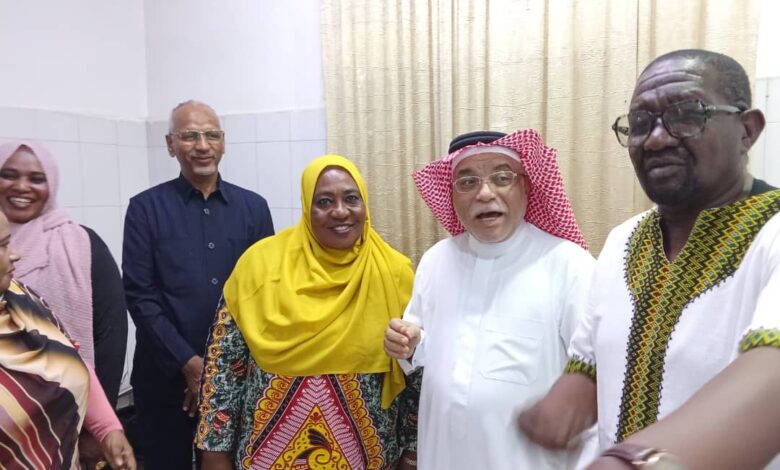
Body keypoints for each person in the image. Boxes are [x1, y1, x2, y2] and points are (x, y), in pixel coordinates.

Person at [518, 49, 780, 470]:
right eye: (641, 123)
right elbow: (590, 364)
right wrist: (558, 407)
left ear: (747, 130)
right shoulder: (623, 241)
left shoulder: (773, 232)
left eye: (687, 115)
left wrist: (628, 462)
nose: (656, 139)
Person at [384, 129, 595, 469]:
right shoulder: (436, 261)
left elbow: (598, 380)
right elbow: (431, 351)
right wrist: (410, 344)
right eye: (467, 182)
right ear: (452, 194)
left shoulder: (570, 266)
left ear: (526, 187)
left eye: (502, 178)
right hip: (443, 457)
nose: (484, 193)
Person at [196, 155, 420, 470]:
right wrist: (214, 451)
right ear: (306, 208)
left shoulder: (394, 273)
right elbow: (224, 368)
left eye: (351, 199)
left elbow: (417, 373)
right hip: (268, 455)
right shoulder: (260, 265)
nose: (340, 211)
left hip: (366, 456)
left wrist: (413, 450)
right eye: (324, 201)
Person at [123, 100, 275, 469]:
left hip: (237, 378)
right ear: (170, 144)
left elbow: (266, 292)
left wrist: (221, 371)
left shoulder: (254, 208)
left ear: (223, 142)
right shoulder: (145, 209)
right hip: (164, 381)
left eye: (211, 135)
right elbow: (140, 296)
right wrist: (189, 363)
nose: (202, 145)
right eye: (190, 136)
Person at [0, 210, 136, 470]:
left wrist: (107, 430)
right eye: (3, 246)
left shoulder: (22, 298)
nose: (16, 254)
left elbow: (68, 358)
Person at [0, 141, 127, 407]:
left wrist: (98, 418)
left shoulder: (82, 244)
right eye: (9, 175)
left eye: (36, 179)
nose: (21, 186)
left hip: (70, 407)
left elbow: (110, 336)